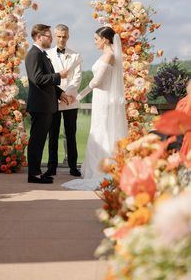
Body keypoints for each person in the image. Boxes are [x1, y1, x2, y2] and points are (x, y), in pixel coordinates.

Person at [62, 26, 128, 190]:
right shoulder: (107, 55)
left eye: (96, 39)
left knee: (102, 131)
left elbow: (96, 81)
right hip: (101, 98)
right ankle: (102, 167)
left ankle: (103, 170)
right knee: (100, 129)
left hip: (103, 98)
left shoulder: (109, 56)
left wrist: (78, 96)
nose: (94, 42)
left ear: (105, 39)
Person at [25, 24, 72, 184]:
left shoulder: (41, 54)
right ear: (38, 37)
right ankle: (34, 175)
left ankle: (37, 172)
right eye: (48, 36)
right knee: (37, 141)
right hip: (40, 105)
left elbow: (46, 81)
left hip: (46, 104)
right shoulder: (34, 54)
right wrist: (59, 75)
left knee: (39, 140)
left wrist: (60, 93)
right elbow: (38, 79)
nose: (52, 38)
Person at [43, 24, 82, 177]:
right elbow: (48, 77)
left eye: (64, 36)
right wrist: (59, 94)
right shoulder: (47, 54)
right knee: (52, 134)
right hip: (53, 98)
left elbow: (77, 77)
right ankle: (52, 166)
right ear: (54, 36)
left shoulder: (76, 55)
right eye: (59, 36)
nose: (61, 39)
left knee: (71, 134)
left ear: (68, 36)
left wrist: (67, 94)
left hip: (71, 100)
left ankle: (73, 166)